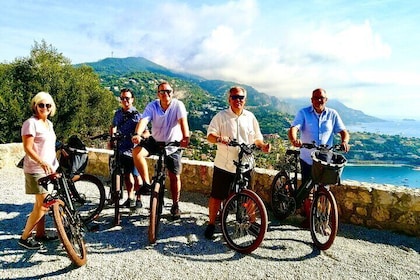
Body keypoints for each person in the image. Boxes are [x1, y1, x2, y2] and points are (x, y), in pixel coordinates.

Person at [204, 86, 271, 239]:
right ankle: (211, 223)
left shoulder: (250, 117)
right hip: (225, 163)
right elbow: (210, 136)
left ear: (245, 100)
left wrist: (263, 146)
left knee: (248, 195)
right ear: (229, 99)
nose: (238, 100)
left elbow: (257, 138)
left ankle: (252, 223)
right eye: (234, 97)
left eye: (241, 97)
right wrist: (220, 139)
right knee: (217, 196)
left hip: (246, 163)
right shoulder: (221, 117)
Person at [288, 88, 350, 227]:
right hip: (307, 158)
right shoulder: (303, 113)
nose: (319, 100)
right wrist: (294, 139)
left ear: (326, 100)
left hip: (325, 159)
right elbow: (294, 128)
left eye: (321, 98)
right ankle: (310, 219)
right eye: (316, 98)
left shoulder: (333, 114)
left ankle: (323, 223)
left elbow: (343, 131)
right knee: (308, 191)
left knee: (325, 191)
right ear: (311, 100)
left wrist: (344, 141)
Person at [131, 81, 190, 219]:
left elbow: (183, 122)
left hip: (173, 144)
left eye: (168, 91)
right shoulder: (153, 105)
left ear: (172, 92)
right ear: (158, 94)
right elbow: (144, 120)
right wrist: (137, 134)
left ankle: (175, 205)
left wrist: (185, 137)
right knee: (137, 153)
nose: (166, 94)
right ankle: (146, 184)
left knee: (174, 176)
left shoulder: (178, 105)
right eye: (162, 91)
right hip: (155, 141)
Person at [19, 92, 60, 250]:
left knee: (41, 204)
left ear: (52, 108)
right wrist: (42, 162)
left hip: (49, 168)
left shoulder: (48, 124)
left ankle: (40, 234)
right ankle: (24, 238)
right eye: (41, 105)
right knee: (43, 204)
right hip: (36, 169)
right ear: (35, 106)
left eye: (48, 105)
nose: (44, 108)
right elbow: (28, 148)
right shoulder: (31, 123)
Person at [110, 88, 147, 210]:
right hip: (121, 149)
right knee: (126, 175)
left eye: (127, 98)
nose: (125, 100)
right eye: (122, 98)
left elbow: (146, 132)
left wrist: (140, 138)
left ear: (132, 99)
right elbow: (113, 126)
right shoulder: (118, 114)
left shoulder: (137, 115)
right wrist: (112, 138)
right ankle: (130, 197)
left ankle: (139, 199)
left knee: (136, 176)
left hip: (133, 150)